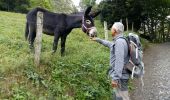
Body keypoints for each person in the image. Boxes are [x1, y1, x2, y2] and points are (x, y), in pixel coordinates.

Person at [91, 22, 130, 100]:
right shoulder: (120, 40)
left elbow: (119, 61)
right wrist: (98, 40)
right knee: (120, 96)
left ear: (115, 30)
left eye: (112, 28)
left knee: (121, 97)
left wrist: (115, 79)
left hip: (120, 78)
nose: (110, 30)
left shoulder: (119, 42)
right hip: (122, 76)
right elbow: (109, 44)